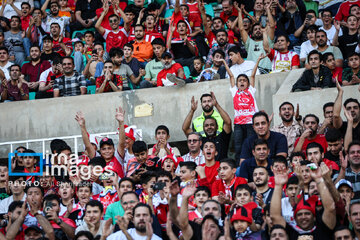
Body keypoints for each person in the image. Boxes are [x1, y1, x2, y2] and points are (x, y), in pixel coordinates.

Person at [271, 162, 336, 239]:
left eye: (307, 213)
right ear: (294, 218)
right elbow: (275, 216)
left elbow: (330, 208)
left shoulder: (323, 229)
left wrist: (319, 179)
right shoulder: (290, 232)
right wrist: (278, 185)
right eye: (299, 214)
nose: (303, 217)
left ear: (314, 217)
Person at [223, 54, 264, 161]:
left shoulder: (251, 90)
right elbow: (231, 76)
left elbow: (253, 75)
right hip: (238, 124)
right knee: (238, 146)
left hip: (251, 123)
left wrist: (258, 60)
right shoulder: (234, 91)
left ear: (248, 83)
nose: (242, 82)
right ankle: (238, 167)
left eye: (244, 80)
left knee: (251, 144)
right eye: (240, 80)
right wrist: (224, 62)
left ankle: (251, 162)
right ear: (236, 84)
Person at [237, 3, 276, 73]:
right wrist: (239, 12)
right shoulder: (249, 42)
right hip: (251, 71)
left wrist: (267, 10)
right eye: (255, 29)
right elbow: (241, 29)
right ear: (252, 33)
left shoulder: (268, 40)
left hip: (267, 71)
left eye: (259, 29)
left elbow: (272, 26)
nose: (258, 30)